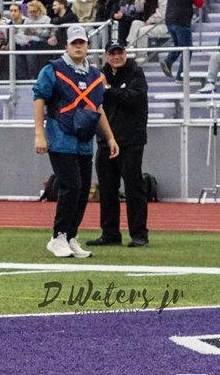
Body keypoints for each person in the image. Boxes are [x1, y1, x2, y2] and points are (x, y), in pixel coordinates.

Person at [32, 24, 120, 259]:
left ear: (88, 46)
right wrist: (39, 133)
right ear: (67, 45)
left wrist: (110, 137)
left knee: (82, 190)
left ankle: (70, 236)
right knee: (70, 185)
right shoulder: (53, 70)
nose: (78, 46)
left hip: (84, 139)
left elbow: (97, 108)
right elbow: (39, 98)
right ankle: (58, 236)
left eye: (82, 42)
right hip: (60, 136)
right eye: (74, 43)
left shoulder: (93, 74)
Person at [86, 41, 149, 249]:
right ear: (106, 56)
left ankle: (139, 234)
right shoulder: (100, 73)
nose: (116, 57)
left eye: (119, 53)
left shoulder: (135, 72)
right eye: (112, 53)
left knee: (133, 187)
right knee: (107, 188)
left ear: (125, 53)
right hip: (106, 139)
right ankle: (110, 232)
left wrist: (107, 88)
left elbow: (133, 98)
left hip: (131, 140)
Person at [161, 0, 203, 82]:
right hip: (182, 22)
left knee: (179, 46)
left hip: (169, 21)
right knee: (187, 49)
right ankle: (181, 75)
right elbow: (199, 3)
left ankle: (168, 62)